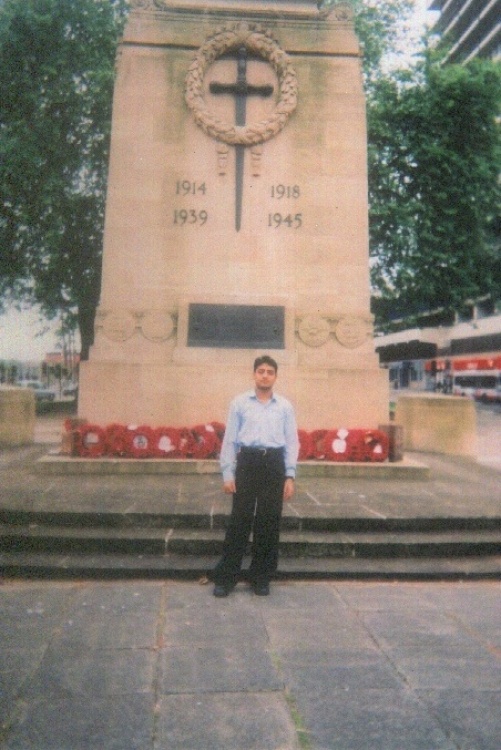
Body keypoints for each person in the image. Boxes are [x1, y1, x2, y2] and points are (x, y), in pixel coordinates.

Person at [212, 355, 299, 597]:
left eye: (270, 372)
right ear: (254, 374)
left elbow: (292, 442)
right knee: (240, 519)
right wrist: (228, 474)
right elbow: (230, 439)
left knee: (269, 521)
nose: (265, 375)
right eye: (260, 371)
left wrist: (289, 475)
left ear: (275, 376)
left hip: (273, 464)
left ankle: (261, 576)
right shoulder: (239, 403)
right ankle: (227, 577)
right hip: (248, 463)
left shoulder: (284, 406)